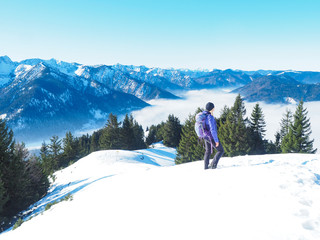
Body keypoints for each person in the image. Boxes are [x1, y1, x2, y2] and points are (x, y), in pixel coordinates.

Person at [203, 102, 224, 169]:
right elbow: (213, 130)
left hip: (205, 136)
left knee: (208, 151)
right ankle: (213, 165)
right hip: (211, 137)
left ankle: (206, 167)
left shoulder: (204, 115)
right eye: (213, 107)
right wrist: (216, 140)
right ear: (212, 108)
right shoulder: (210, 117)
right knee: (221, 150)